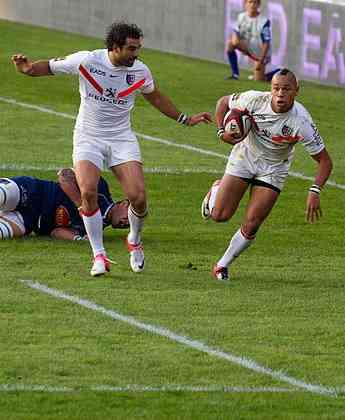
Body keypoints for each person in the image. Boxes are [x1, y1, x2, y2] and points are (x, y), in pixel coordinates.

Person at [12, 20, 212, 277]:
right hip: (88, 136)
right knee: (88, 192)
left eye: (138, 48)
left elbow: (156, 97)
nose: (136, 54)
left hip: (121, 138)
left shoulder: (140, 71)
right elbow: (51, 67)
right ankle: (99, 255)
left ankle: (134, 240)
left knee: (138, 198)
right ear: (115, 47)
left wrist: (185, 119)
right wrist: (28, 69)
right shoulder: (87, 61)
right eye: (131, 48)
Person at [202, 68, 333, 281]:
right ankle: (216, 189)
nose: (280, 93)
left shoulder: (302, 122)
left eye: (286, 89)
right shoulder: (253, 100)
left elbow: (325, 161)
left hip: (274, 168)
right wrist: (221, 132)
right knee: (219, 216)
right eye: (276, 88)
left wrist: (315, 190)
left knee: (253, 222)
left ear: (296, 91)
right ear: (270, 89)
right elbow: (222, 103)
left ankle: (222, 265)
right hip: (245, 157)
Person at [0, 172, 129, 243]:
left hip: (29, 221)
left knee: (3, 233)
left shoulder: (96, 229)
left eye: (129, 224)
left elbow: (55, 232)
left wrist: (78, 239)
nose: (126, 222)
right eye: (129, 217)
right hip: (31, 192)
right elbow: (64, 176)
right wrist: (81, 207)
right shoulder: (100, 188)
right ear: (124, 203)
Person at [225, 0, 277, 81]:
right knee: (230, 44)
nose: (252, 5)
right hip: (248, 48)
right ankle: (235, 74)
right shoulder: (241, 16)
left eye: (255, 2)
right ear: (245, 4)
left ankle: (278, 71)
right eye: (250, 2)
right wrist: (239, 45)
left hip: (260, 53)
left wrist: (261, 60)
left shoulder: (264, 21)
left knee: (259, 80)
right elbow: (235, 34)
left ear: (259, 4)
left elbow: (266, 43)